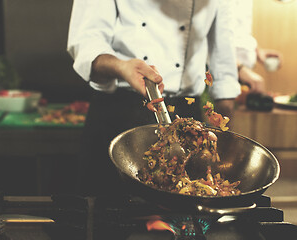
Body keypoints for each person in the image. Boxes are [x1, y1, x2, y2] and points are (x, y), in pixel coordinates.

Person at [67, 0, 241, 196]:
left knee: (185, 211)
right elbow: (88, 41)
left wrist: (225, 135)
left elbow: (223, 59)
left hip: (189, 119)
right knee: (105, 208)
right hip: (120, 111)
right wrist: (121, 67)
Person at [234, 0, 283, 94]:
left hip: (242, 80)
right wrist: (239, 68)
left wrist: (257, 51)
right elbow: (213, 38)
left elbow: (239, 33)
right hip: (219, 77)